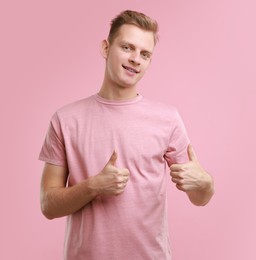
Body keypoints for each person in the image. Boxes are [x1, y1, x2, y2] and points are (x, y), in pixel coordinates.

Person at [39, 10, 214, 260]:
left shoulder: (167, 118)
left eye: (145, 54)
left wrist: (205, 183)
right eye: (127, 47)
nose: (135, 59)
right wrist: (93, 186)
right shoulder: (65, 120)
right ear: (106, 48)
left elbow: (200, 197)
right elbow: (48, 205)